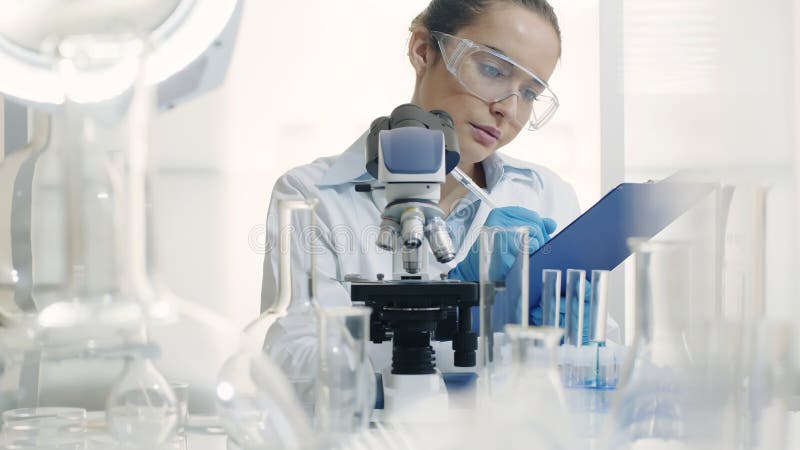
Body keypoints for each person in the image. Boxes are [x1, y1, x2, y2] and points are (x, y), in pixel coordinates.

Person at [261, 0, 618, 373]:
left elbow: (602, 359)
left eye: (529, 93)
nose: (509, 109)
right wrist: (466, 321)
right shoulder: (312, 195)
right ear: (423, 51)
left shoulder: (546, 195)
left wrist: (575, 338)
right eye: (493, 69)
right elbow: (296, 364)